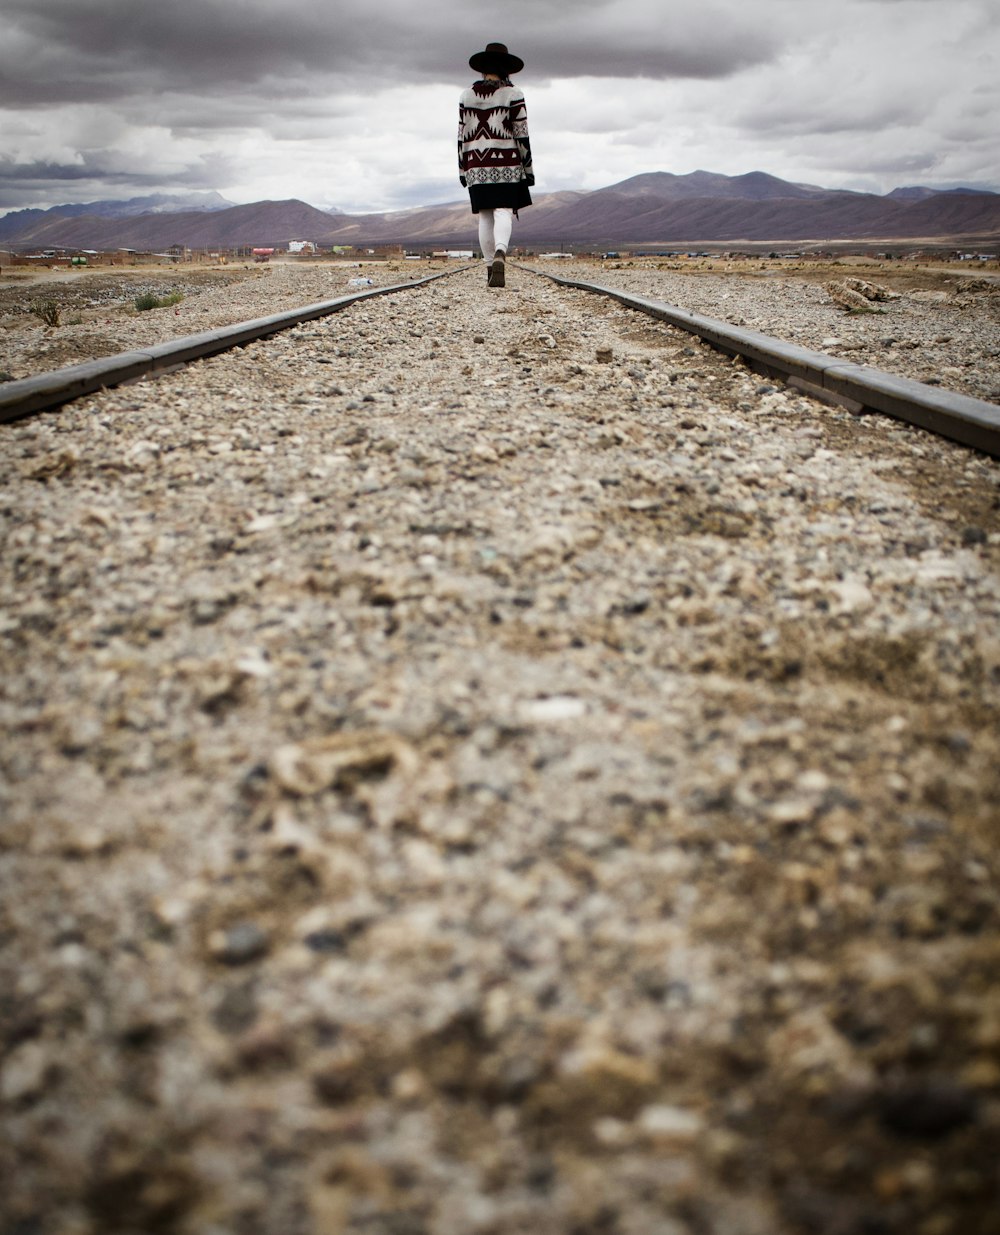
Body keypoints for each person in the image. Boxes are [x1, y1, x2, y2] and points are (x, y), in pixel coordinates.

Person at [458, 42, 534, 288]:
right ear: (506, 69)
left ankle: (490, 267)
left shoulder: (466, 96)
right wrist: (528, 169)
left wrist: (462, 169)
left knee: (485, 216)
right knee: (503, 211)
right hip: (507, 162)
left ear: (483, 68)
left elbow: (461, 135)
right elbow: (521, 134)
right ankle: (501, 252)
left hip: (475, 166)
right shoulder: (514, 94)